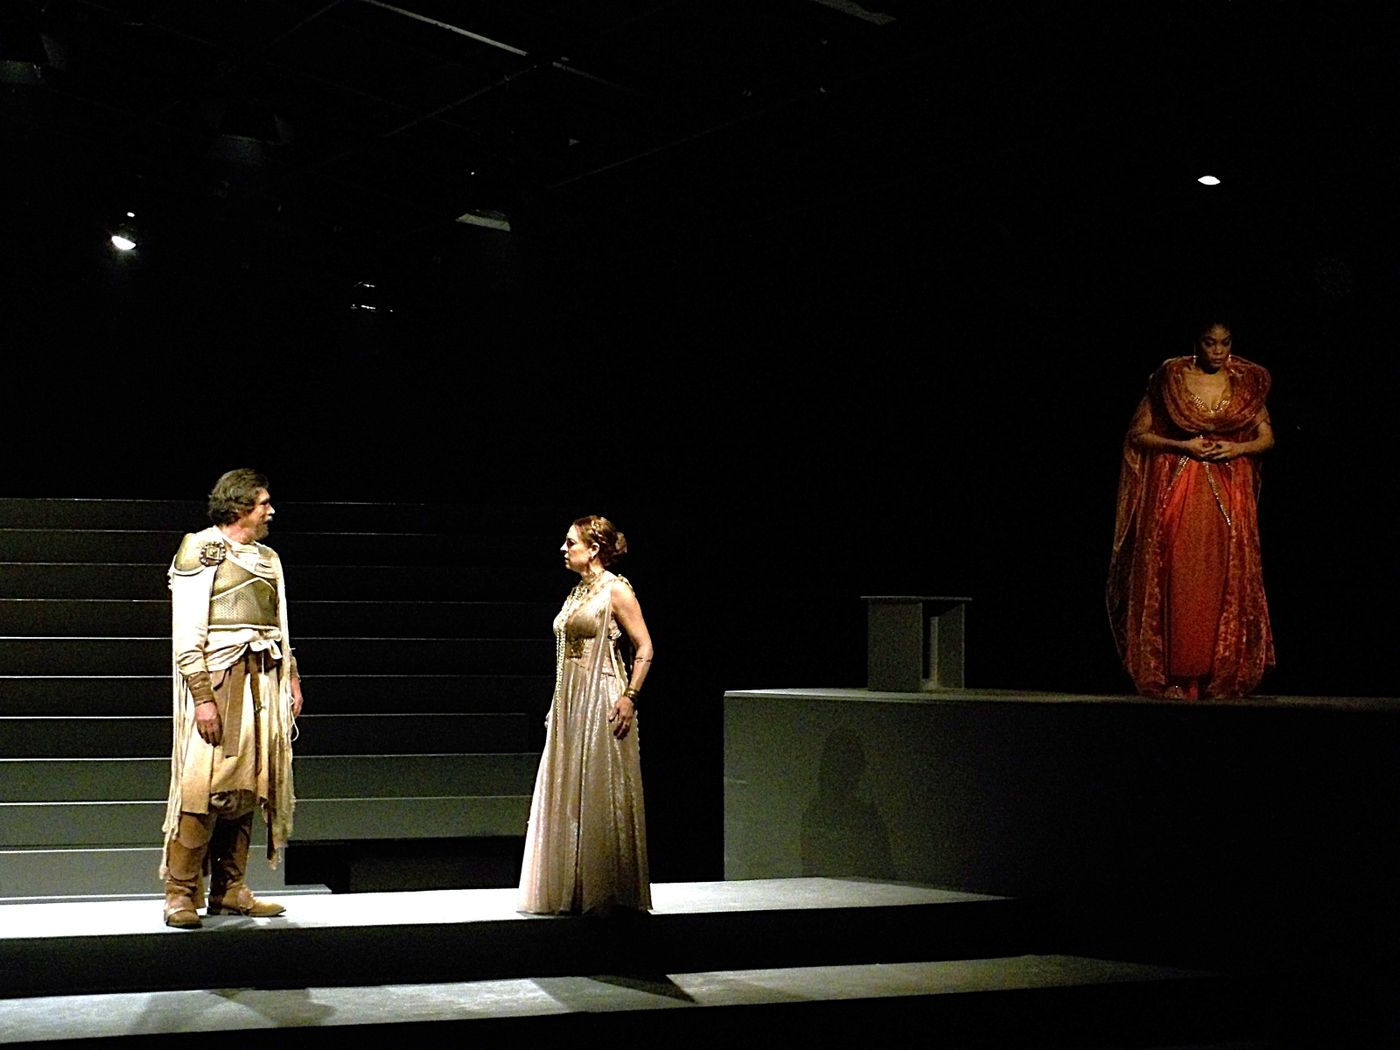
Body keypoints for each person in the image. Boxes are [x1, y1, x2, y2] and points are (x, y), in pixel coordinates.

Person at [159, 469, 304, 928]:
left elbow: (281, 624)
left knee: (249, 785)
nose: (271, 510)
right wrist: (202, 696)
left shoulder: (269, 558)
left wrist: (292, 678)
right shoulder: (201, 550)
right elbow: (187, 632)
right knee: (205, 785)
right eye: (263, 503)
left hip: (262, 681)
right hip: (220, 679)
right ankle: (180, 893)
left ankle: (229, 890)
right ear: (240, 506)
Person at [1108, 321, 1275, 699]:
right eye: (1209, 342)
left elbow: (1268, 437)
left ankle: (1217, 673)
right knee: (1180, 572)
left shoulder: (1244, 384)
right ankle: (1176, 675)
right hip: (1181, 488)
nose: (1217, 350)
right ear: (1196, 343)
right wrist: (1184, 446)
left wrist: (1237, 449)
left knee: (1222, 573)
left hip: (1228, 491)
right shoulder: (1171, 381)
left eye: (1225, 343)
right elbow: (1139, 434)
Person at [518, 515, 654, 915]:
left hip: (602, 697)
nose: (564, 549)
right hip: (572, 701)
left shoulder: (616, 591)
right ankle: (570, 887)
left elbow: (644, 647)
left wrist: (630, 696)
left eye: (570, 543)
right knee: (568, 787)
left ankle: (604, 892)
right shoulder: (578, 592)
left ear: (593, 549)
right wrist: (555, 702)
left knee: (599, 786)